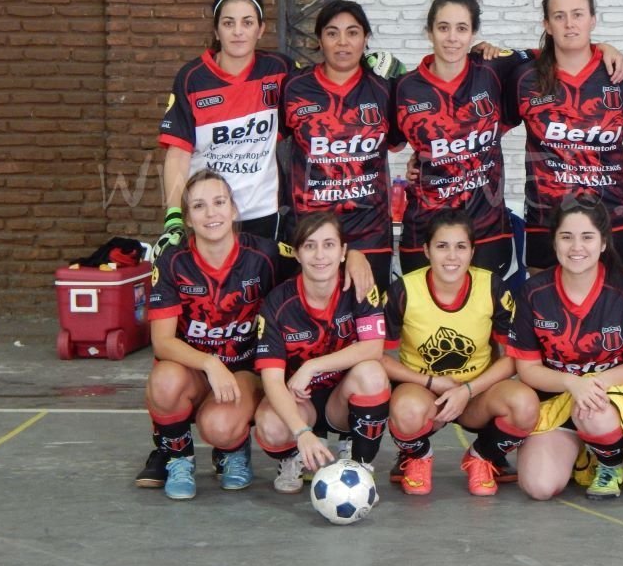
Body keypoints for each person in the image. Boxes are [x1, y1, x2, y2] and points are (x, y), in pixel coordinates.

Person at [506, 194, 623, 501]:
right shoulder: (533, 293)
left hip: (609, 400)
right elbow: (526, 369)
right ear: (554, 242)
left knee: (594, 413)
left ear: (603, 243)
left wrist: (593, 384)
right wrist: (570, 382)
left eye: (587, 237)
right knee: (538, 487)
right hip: (557, 401)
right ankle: (584, 450)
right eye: (567, 237)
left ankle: (610, 461)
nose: (576, 247)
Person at [135, 170, 278, 500]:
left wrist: (353, 255)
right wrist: (210, 363)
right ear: (187, 218)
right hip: (194, 369)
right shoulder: (172, 261)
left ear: (234, 210)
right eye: (199, 206)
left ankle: (232, 449)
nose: (211, 213)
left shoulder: (267, 255)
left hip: (243, 369)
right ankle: (178, 459)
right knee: (164, 382)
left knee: (220, 428)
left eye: (219, 202)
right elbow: (163, 341)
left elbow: (315, 257)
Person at [383, 209, 539, 496]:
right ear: (426, 250)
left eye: (460, 247)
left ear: (472, 251)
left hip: (476, 393)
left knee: (525, 404)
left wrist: (467, 389)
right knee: (405, 410)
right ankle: (417, 455)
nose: (452, 256)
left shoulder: (492, 286)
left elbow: (514, 357)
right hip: (424, 390)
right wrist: (430, 382)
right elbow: (378, 357)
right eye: (442, 246)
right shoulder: (403, 289)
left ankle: (483, 456)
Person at [394, 0, 531, 276]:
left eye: (461, 29)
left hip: (487, 230)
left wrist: (602, 49)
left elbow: (556, 53)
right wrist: (418, 160)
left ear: (473, 34)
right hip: (425, 232)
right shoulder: (405, 88)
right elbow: (390, 142)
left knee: (485, 319)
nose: (452, 38)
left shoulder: (494, 69)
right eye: (443, 28)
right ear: (429, 32)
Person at [506, 0, 623, 274]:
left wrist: (598, 158)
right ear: (547, 24)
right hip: (547, 217)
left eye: (578, 14)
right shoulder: (525, 77)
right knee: (545, 309)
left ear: (592, 19)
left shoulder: (618, 74)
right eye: (559, 16)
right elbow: (481, 137)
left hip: (614, 215)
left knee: (617, 309)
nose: (570, 24)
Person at [252, 211, 390, 493]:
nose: (319, 255)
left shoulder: (360, 288)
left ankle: (360, 465)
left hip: (341, 398)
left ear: (343, 252)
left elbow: (374, 348)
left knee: (372, 373)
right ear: (297, 254)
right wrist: (300, 432)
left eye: (329, 244)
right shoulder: (278, 303)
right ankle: (293, 456)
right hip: (301, 401)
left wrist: (312, 366)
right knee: (270, 424)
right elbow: (272, 380)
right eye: (309, 245)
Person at [156, 0, 295, 255]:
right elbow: (178, 153)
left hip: (263, 212)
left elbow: (325, 86)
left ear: (261, 29)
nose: (238, 31)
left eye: (247, 22)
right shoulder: (192, 78)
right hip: (209, 215)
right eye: (228, 23)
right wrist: (173, 216)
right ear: (217, 31)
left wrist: (369, 65)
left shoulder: (280, 69)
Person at [281, 0, 404, 294]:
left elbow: (400, 144)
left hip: (370, 232)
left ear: (365, 38)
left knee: (369, 321)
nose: (343, 42)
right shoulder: (295, 87)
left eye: (352, 32)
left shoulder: (385, 87)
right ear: (320, 39)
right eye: (332, 33)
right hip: (309, 233)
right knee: (312, 324)